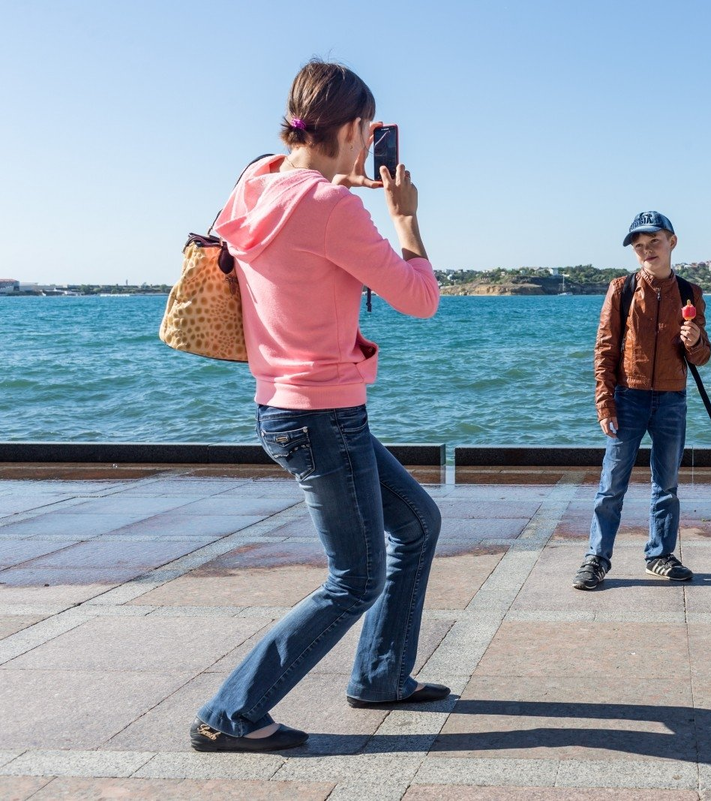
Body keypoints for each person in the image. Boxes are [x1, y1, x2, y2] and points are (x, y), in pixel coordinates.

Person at [190, 60, 446, 753]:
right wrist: (404, 217)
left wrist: (330, 175)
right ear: (357, 129)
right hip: (323, 415)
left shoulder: (253, 188)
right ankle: (232, 712)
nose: (371, 148)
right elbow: (420, 299)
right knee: (356, 578)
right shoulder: (333, 209)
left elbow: (289, 194)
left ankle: (381, 674)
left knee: (418, 521)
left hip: (283, 408)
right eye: (367, 133)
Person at [574, 211, 711, 591]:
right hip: (628, 396)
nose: (647, 251)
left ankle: (659, 555)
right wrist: (605, 403)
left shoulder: (690, 293)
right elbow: (604, 349)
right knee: (611, 484)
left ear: (672, 242)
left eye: (654, 243)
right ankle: (596, 558)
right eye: (639, 247)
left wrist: (695, 339)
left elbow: (702, 356)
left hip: (671, 399)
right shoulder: (621, 289)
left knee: (666, 485)